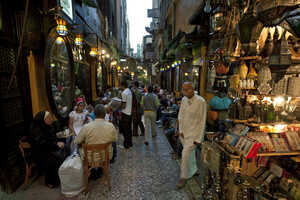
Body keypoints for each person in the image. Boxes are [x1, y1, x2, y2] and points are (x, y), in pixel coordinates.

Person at [176, 82, 207, 189]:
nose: (185, 92)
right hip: (184, 133)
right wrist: (180, 130)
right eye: (183, 89)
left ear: (193, 89)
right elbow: (180, 115)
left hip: (193, 134)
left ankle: (183, 177)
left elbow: (202, 121)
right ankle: (194, 170)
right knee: (191, 154)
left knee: (185, 154)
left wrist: (199, 138)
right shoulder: (184, 100)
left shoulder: (201, 101)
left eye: (187, 89)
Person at [75, 104, 118, 178]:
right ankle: (100, 168)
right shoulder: (111, 126)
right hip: (106, 155)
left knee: (79, 146)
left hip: (90, 157)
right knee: (111, 143)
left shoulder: (86, 127)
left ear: (94, 114)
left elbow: (77, 141)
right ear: (105, 114)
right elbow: (114, 139)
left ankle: (90, 169)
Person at [29, 111, 68, 188]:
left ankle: (60, 176)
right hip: (39, 152)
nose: (51, 119)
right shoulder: (37, 129)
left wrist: (58, 139)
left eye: (51, 117)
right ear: (43, 120)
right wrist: (56, 144)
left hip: (48, 148)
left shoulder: (48, 125)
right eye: (49, 118)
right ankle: (50, 181)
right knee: (53, 159)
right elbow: (42, 143)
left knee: (64, 149)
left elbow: (51, 138)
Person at [119, 80, 133, 149]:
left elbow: (124, 105)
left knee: (125, 130)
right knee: (129, 129)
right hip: (130, 112)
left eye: (120, 86)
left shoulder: (124, 93)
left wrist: (119, 106)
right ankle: (130, 143)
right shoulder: (129, 91)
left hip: (125, 113)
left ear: (122, 85)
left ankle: (126, 144)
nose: (120, 87)